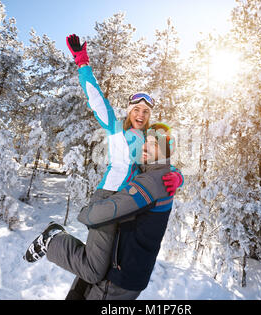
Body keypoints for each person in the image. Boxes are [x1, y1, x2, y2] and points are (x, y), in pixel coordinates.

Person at [23, 34, 183, 299]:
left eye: (146, 112)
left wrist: (178, 177)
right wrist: (83, 64)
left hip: (131, 207)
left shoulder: (149, 139)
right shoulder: (114, 127)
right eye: (137, 109)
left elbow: (161, 165)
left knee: (103, 269)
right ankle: (52, 239)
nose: (141, 115)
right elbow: (95, 98)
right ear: (130, 110)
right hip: (109, 198)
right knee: (95, 269)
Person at [25, 123, 177, 299]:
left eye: (154, 144)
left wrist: (85, 214)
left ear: (166, 151)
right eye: (146, 142)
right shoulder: (151, 174)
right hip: (115, 270)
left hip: (122, 272)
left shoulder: (153, 181)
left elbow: (111, 210)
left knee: (85, 280)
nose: (145, 147)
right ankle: (54, 241)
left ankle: (53, 240)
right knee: (84, 282)